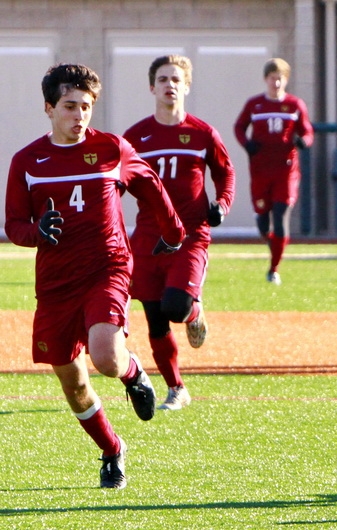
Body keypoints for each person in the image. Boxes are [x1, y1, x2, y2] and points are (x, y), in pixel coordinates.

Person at [4, 64, 186, 489]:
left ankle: (133, 372)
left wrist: (174, 232)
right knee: (75, 386)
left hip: (108, 268)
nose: (79, 115)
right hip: (55, 284)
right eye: (70, 106)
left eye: (86, 106)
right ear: (49, 108)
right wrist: (37, 233)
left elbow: (151, 185)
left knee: (105, 356)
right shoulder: (27, 161)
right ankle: (111, 449)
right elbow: (14, 225)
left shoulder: (111, 150)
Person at [124, 55, 236, 410]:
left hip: (191, 235)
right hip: (147, 237)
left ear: (186, 86)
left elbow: (226, 173)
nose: (169, 85)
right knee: (155, 319)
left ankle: (194, 312)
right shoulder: (135, 137)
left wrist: (222, 204)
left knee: (176, 307)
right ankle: (177, 389)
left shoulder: (202, 133)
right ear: (151, 87)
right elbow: (116, 182)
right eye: (162, 79)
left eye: (176, 79)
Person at [234, 57, 314, 285]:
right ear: (265, 79)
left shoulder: (295, 105)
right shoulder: (255, 105)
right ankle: (275, 245)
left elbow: (307, 130)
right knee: (263, 221)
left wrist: (304, 142)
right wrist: (246, 143)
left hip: (286, 170)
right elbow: (239, 126)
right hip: (260, 170)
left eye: (280, 79)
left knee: (280, 215)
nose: (276, 84)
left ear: (286, 80)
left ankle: (274, 268)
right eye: (272, 79)